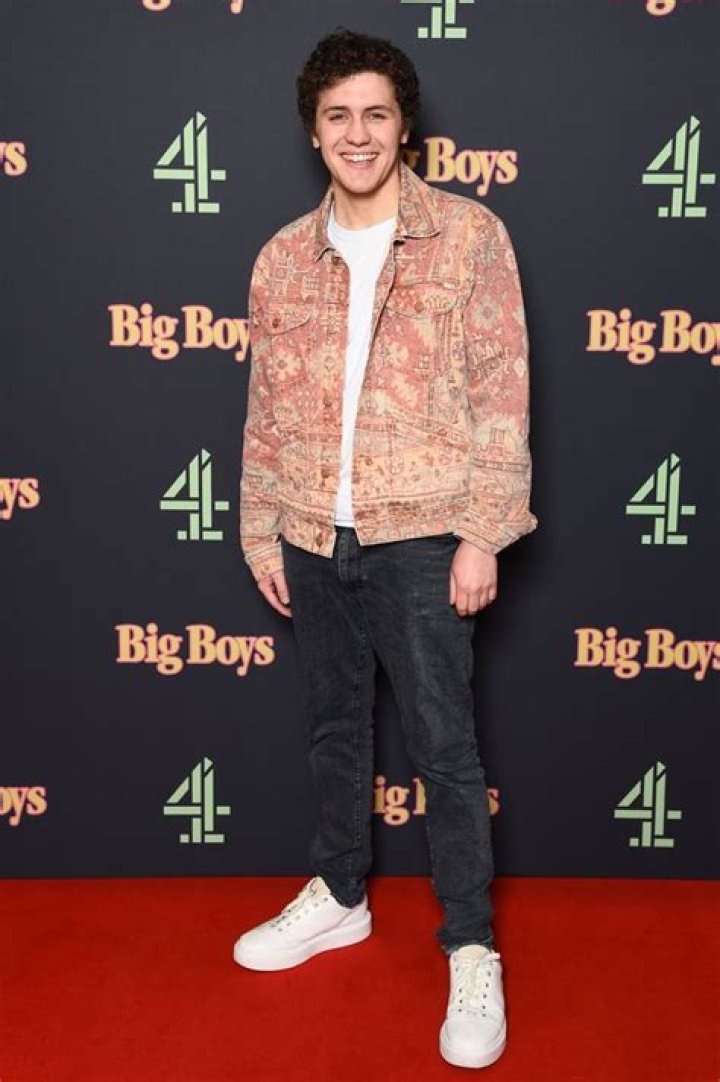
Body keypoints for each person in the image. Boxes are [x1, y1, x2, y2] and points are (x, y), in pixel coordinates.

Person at [234, 28, 537, 1070]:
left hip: (423, 534)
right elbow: (264, 410)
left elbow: (503, 393)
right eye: (337, 116)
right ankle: (340, 893)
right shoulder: (281, 257)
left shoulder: (470, 236)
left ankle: (472, 944)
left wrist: (484, 531)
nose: (356, 134)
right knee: (333, 730)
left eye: (375, 113)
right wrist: (260, 526)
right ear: (313, 131)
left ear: (405, 126)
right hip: (311, 531)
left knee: (444, 750)